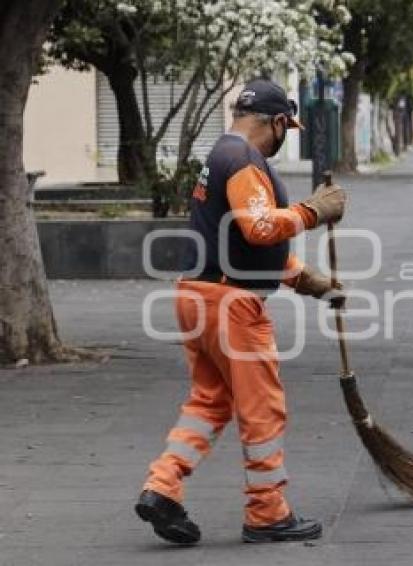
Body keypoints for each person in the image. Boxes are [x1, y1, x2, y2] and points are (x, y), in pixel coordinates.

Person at [134, 78, 347, 545]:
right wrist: (314, 211)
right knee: (262, 410)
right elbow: (258, 228)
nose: (283, 136)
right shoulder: (245, 160)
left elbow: (234, 241)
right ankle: (268, 513)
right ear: (275, 122)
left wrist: (305, 280)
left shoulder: (221, 156)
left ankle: (162, 486)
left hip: (197, 295)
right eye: (284, 127)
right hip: (231, 306)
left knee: (209, 402)